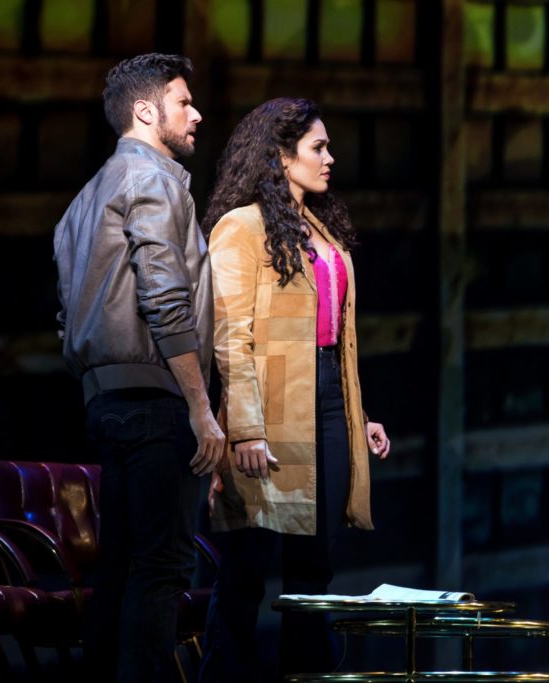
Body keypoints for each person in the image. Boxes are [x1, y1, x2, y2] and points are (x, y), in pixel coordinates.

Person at [198, 97, 391, 682]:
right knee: (246, 570)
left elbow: (336, 339)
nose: (330, 158)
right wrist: (247, 429)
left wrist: (359, 416)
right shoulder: (241, 227)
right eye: (318, 147)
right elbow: (231, 337)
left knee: (315, 570)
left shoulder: (321, 228)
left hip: (329, 401)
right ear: (282, 157)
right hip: (268, 408)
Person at [53, 53, 225, 682]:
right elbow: (163, 295)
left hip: (106, 405)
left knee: (121, 571)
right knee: (162, 570)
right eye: (184, 101)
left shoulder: (80, 202)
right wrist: (201, 410)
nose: (196, 113)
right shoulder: (151, 180)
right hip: (157, 403)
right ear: (147, 110)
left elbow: (68, 318)